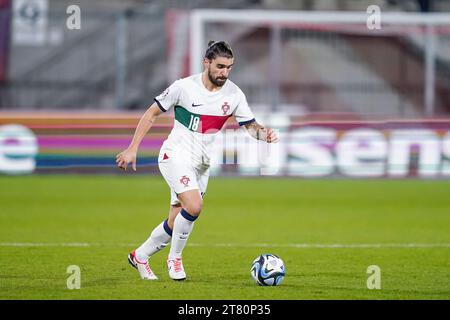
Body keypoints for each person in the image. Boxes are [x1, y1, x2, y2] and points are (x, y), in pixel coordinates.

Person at [116, 41, 279, 281]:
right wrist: (132, 148)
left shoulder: (234, 94)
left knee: (175, 220)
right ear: (207, 62)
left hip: (201, 164)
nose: (224, 72)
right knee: (194, 206)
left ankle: (140, 256)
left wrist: (263, 134)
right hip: (175, 155)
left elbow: (249, 125)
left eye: (229, 68)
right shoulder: (183, 87)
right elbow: (151, 114)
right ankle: (175, 259)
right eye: (220, 66)